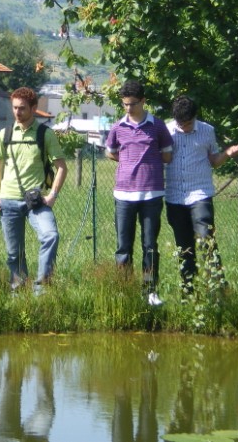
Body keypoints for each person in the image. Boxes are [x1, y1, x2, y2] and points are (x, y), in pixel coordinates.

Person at [0, 87, 67, 293]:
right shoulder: (5, 134)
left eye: (22, 108)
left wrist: (52, 196)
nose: (17, 112)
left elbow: (61, 167)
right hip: (8, 199)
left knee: (50, 236)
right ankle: (19, 292)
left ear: (34, 108)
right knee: (14, 253)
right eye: (14, 108)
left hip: (36, 201)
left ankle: (41, 289)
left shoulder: (45, 134)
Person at [105, 80, 173, 307]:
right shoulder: (117, 127)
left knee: (149, 245)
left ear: (143, 101)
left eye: (132, 104)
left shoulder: (158, 126)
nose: (128, 108)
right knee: (123, 247)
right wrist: (129, 164)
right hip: (123, 195)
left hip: (152, 194)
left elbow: (167, 155)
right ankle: (124, 291)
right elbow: (111, 153)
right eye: (124, 104)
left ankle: (150, 291)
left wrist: (147, 165)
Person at [165, 95, 238, 292]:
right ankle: (188, 292)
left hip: (200, 193)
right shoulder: (165, 131)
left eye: (188, 123)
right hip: (174, 196)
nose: (184, 127)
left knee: (206, 239)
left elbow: (214, 161)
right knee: (184, 248)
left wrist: (227, 154)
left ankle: (217, 288)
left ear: (195, 117)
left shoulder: (207, 131)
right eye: (180, 123)